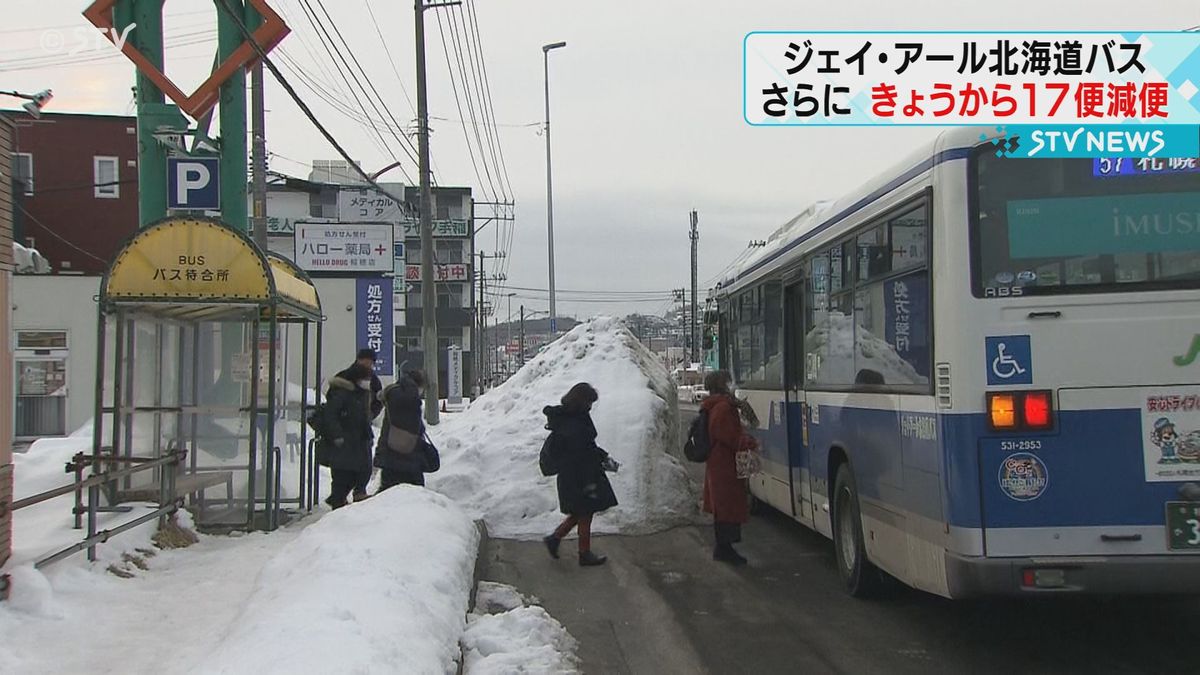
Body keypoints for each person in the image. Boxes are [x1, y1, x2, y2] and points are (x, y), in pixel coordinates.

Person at [541, 383, 619, 567]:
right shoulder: (573, 422)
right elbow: (582, 449)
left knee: (581, 512)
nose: (591, 406)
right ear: (581, 401)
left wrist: (602, 457)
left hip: (577, 474)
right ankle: (583, 553)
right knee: (584, 512)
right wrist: (601, 457)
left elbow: (585, 447)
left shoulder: (572, 417)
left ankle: (555, 538)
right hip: (578, 476)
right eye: (590, 402)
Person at [701, 370, 754, 565]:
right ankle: (724, 548)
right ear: (722, 385)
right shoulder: (723, 407)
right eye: (728, 381)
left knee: (724, 506)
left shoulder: (716, 405)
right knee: (727, 506)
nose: (731, 384)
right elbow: (728, 435)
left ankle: (724, 547)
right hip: (724, 464)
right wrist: (749, 442)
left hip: (720, 463)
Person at [321, 363, 376, 509]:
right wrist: (338, 435)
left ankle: (344, 497)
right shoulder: (342, 393)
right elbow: (330, 415)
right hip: (344, 442)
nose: (368, 382)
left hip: (358, 440)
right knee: (343, 474)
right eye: (366, 378)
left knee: (360, 470)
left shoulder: (361, 394)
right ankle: (337, 501)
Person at [374, 369, 440, 489]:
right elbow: (413, 427)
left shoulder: (394, 392)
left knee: (387, 492)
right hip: (409, 457)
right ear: (420, 385)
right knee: (414, 494)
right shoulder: (411, 397)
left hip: (389, 453)